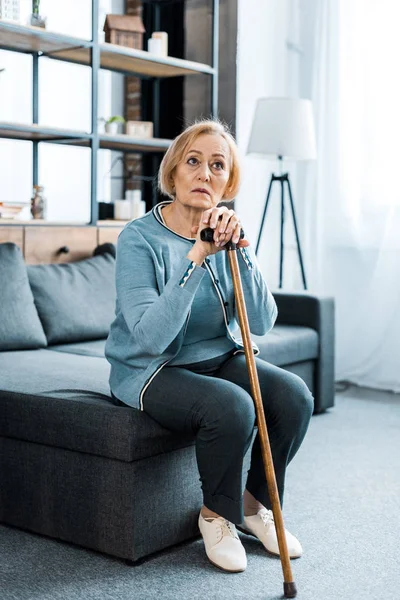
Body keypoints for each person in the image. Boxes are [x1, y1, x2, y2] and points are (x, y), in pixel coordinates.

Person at [105, 119, 314, 573]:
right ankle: (216, 516)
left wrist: (239, 250)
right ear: (174, 173)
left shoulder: (226, 231)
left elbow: (262, 320)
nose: (204, 173)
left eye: (217, 165)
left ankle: (256, 505)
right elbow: (149, 337)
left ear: (228, 181)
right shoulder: (139, 239)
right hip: (152, 369)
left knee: (295, 396)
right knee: (233, 407)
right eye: (194, 161)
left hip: (217, 357)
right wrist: (197, 257)